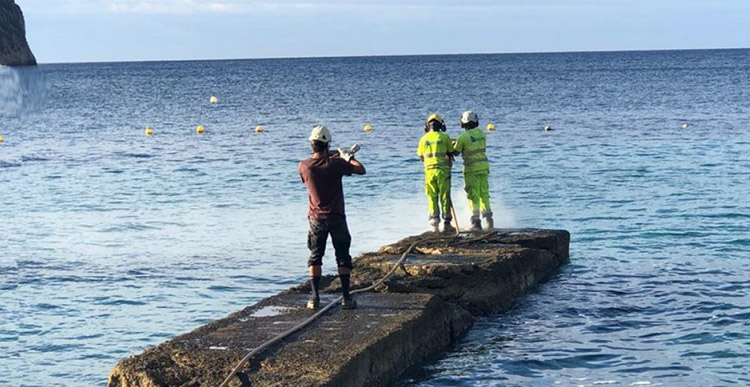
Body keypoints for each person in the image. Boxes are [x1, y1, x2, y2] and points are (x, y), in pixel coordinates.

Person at [299, 125, 366, 310]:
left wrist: (335, 158)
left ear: (312, 145)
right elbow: (361, 170)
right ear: (327, 145)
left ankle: (314, 299)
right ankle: (346, 298)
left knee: (315, 257)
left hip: (315, 219)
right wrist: (348, 157)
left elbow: (319, 166)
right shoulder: (336, 164)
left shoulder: (304, 166)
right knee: (343, 257)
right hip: (337, 217)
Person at [453, 111, 493, 231]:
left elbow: (455, 152)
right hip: (484, 167)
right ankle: (489, 221)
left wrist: (452, 144)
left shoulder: (462, 137)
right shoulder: (482, 134)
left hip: (471, 170)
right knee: (484, 193)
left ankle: (475, 222)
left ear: (463, 123)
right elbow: (473, 142)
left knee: (473, 195)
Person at [417, 114, 456, 233]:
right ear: (441, 126)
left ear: (427, 126)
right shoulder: (445, 137)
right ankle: (447, 223)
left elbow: (421, 156)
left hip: (429, 172)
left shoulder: (423, 139)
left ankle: (434, 224)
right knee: (445, 196)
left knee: (432, 197)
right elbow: (451, 152)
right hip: (443, 171)